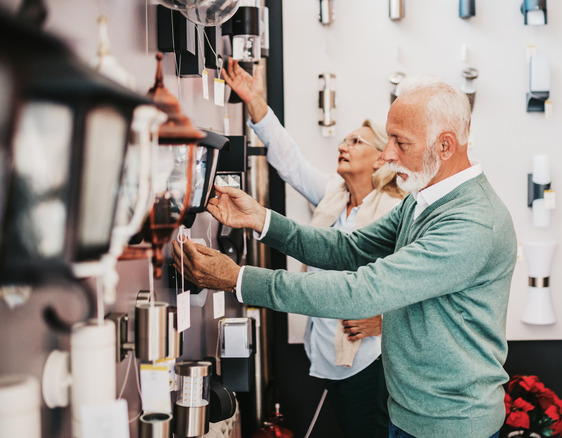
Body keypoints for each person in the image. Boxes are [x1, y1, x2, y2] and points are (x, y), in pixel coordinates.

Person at [173, 76, 518, 438]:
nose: (388, 154)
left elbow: (363, 291)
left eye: (400, 142)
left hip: (451, 427)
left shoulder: (473, 223)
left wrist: (238, 279)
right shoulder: (423, 201)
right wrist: (260, 219)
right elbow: (348, 248)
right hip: (408, 413)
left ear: (445, 146)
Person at [222, 58, 403, 438]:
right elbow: (289, 161)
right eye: (344, 139)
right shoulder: (334, 195)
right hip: (326, 352)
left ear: (380, 159)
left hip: (367, 359)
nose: (343, 145)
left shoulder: (394, 210)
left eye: (356, 141)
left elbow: (414, 281)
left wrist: (386, 322)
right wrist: (255, 101)